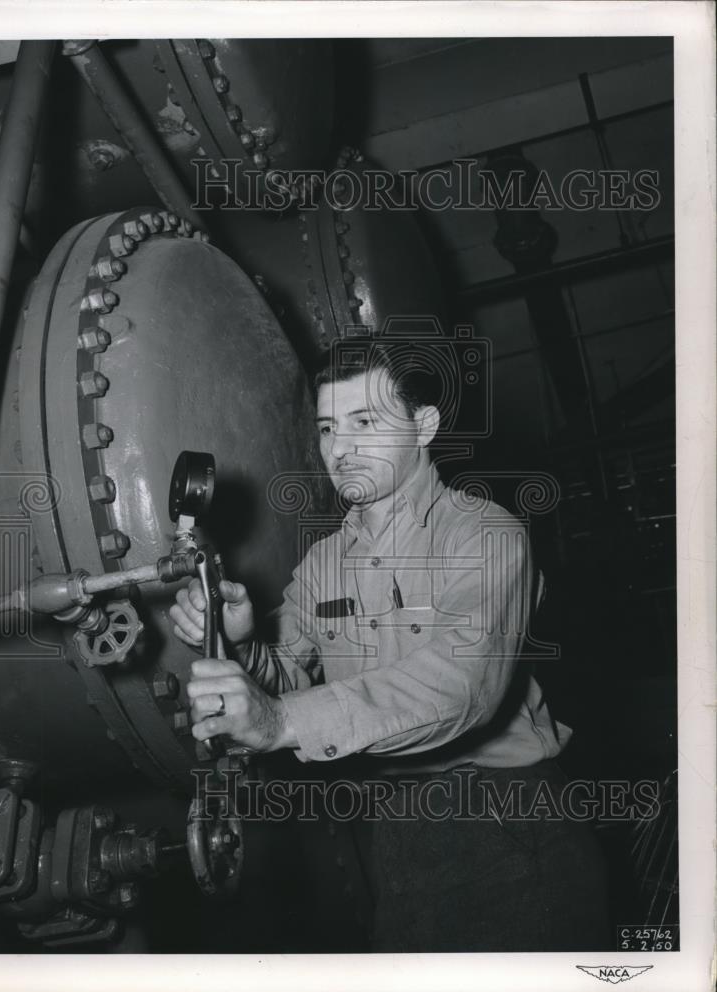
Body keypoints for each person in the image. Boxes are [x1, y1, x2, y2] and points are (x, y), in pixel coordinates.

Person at [171, 337, 609, 951]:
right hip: (395, 830)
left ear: (423, 425)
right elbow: (287, 674)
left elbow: (465, 687)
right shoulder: (323, 564)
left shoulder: (484, 534)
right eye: (326, 427)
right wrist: (243, 642)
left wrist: (277, 722)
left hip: (508, 818)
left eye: (365, 422)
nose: (340, 448)